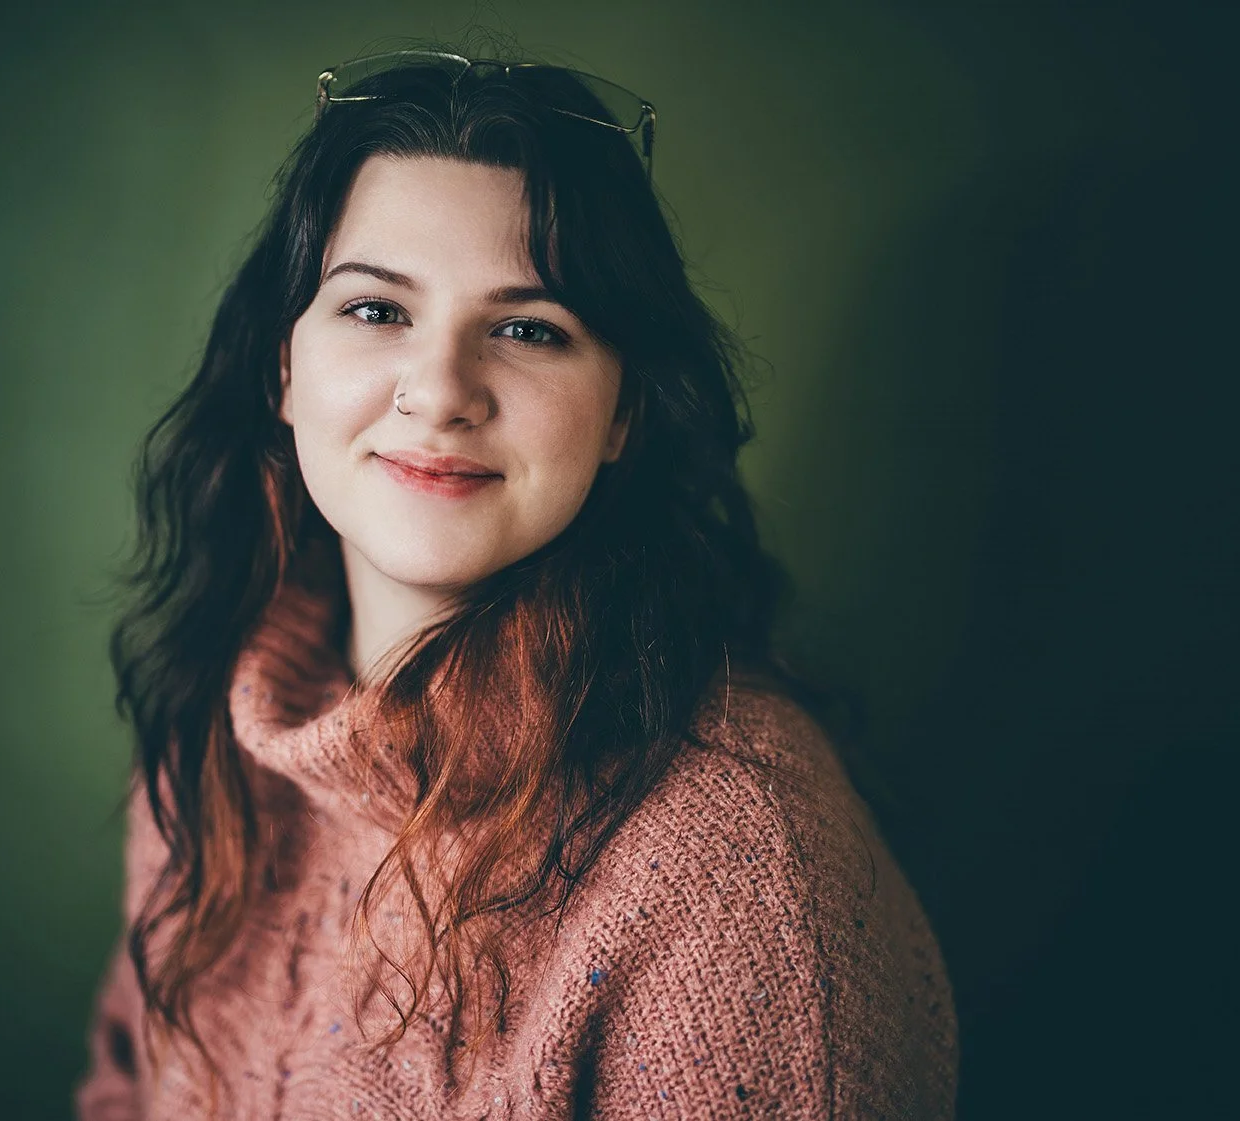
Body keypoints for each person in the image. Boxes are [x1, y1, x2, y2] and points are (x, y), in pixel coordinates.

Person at [73, 44, 957, 1121]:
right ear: (282, 367)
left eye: (528, 329)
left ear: (624, 411)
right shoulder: (221, 728)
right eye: (374, 309)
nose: (440, 391)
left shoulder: (733, 864)